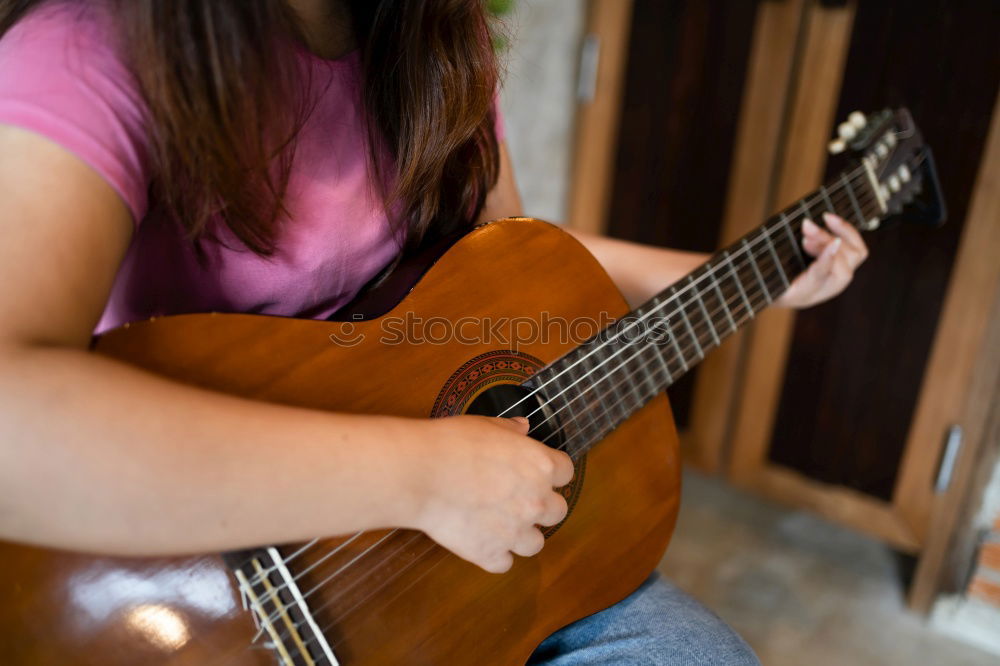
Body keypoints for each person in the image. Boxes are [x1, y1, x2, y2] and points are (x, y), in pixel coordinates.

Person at [0, 1, 868, 663]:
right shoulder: (84, 52)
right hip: (217, 589)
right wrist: (422, 479)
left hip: (449, 565)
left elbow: (508, 274)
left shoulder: (435, 40)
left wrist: (744, 275)